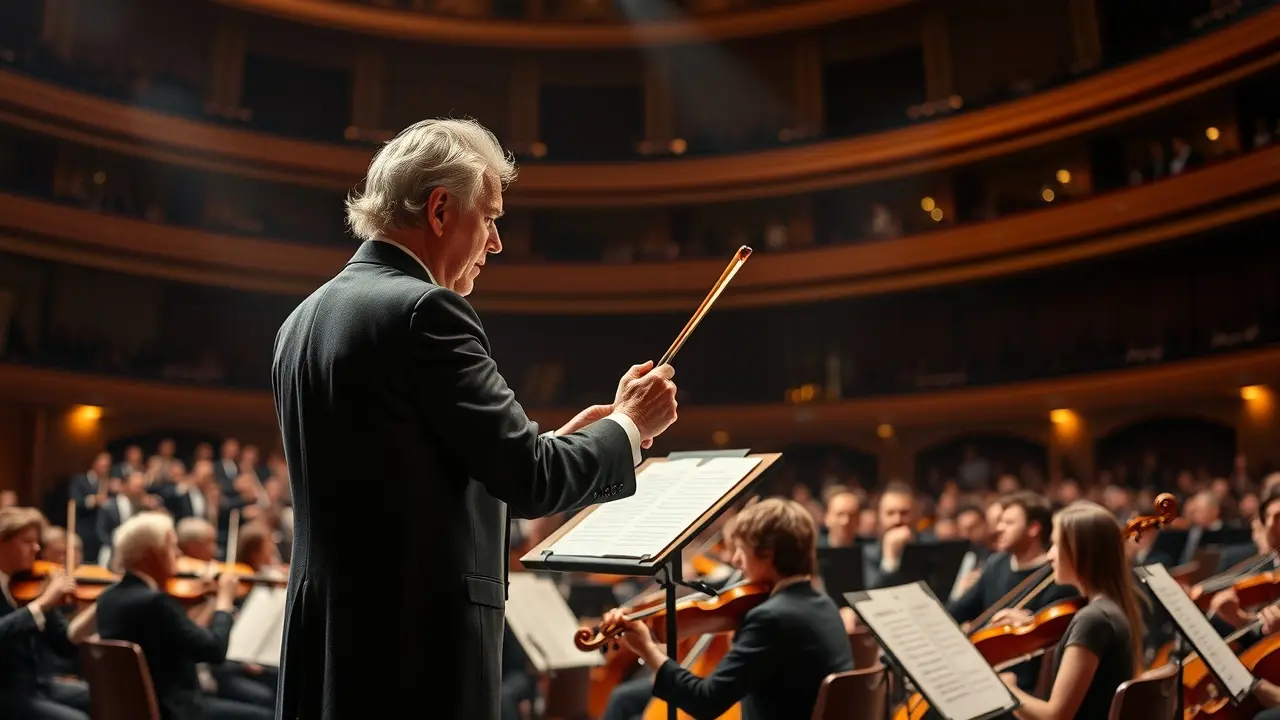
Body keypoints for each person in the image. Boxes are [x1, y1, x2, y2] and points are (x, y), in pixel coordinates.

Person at [271, 118, 681, 720]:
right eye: (489, 217)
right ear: (440, 210)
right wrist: (629, 427)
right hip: (416, 651)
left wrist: (561, 443)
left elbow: (417, 477)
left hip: (328, 645)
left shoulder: (300, 323)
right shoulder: (426, 310)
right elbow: (530, 480)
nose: (496, 243)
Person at [602, 498, 853, 720]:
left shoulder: (772, 618)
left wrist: (647, 649)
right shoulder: (823, 604)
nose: (735, 561)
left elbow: (705, 703)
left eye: (741, 550)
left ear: (767, 554)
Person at [94, 512, 271, 720]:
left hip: (130, 711)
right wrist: (224, 601)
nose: (178, 554)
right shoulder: (155, 602)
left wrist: (211, 602)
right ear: (152, 554)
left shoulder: (108, 598)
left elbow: (185, 636)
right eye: (171, 546)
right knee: (265, 715)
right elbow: (214, 650)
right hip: (176, 710)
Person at [998, 501, 1145, 720]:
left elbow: (1055, 717)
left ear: (1079, 551)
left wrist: (1005, 687)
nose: (1049, 555)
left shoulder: (1093, 620)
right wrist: (1033, 624)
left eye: (1056, 544)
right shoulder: (1108, 608)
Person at [949, 492, 1078, 693]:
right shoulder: (996, 564)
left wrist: (1031, 622)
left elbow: (1061, 645)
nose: (999, 528)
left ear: (1033, 528)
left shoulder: (1058, 577)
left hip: (1025, 687)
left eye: (1008, 523)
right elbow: (956, 612)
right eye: (1000, 521)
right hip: (983, 675)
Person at [0, 507, 92, 720]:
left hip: (37, 685)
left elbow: (65, 644)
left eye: (37, 541)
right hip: (7, 692)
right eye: (27, 541)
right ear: (2, 542)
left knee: (105, 694)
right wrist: (43, 603)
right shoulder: (39, 596)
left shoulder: (32, 584)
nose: (36, 548)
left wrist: (98, 606)